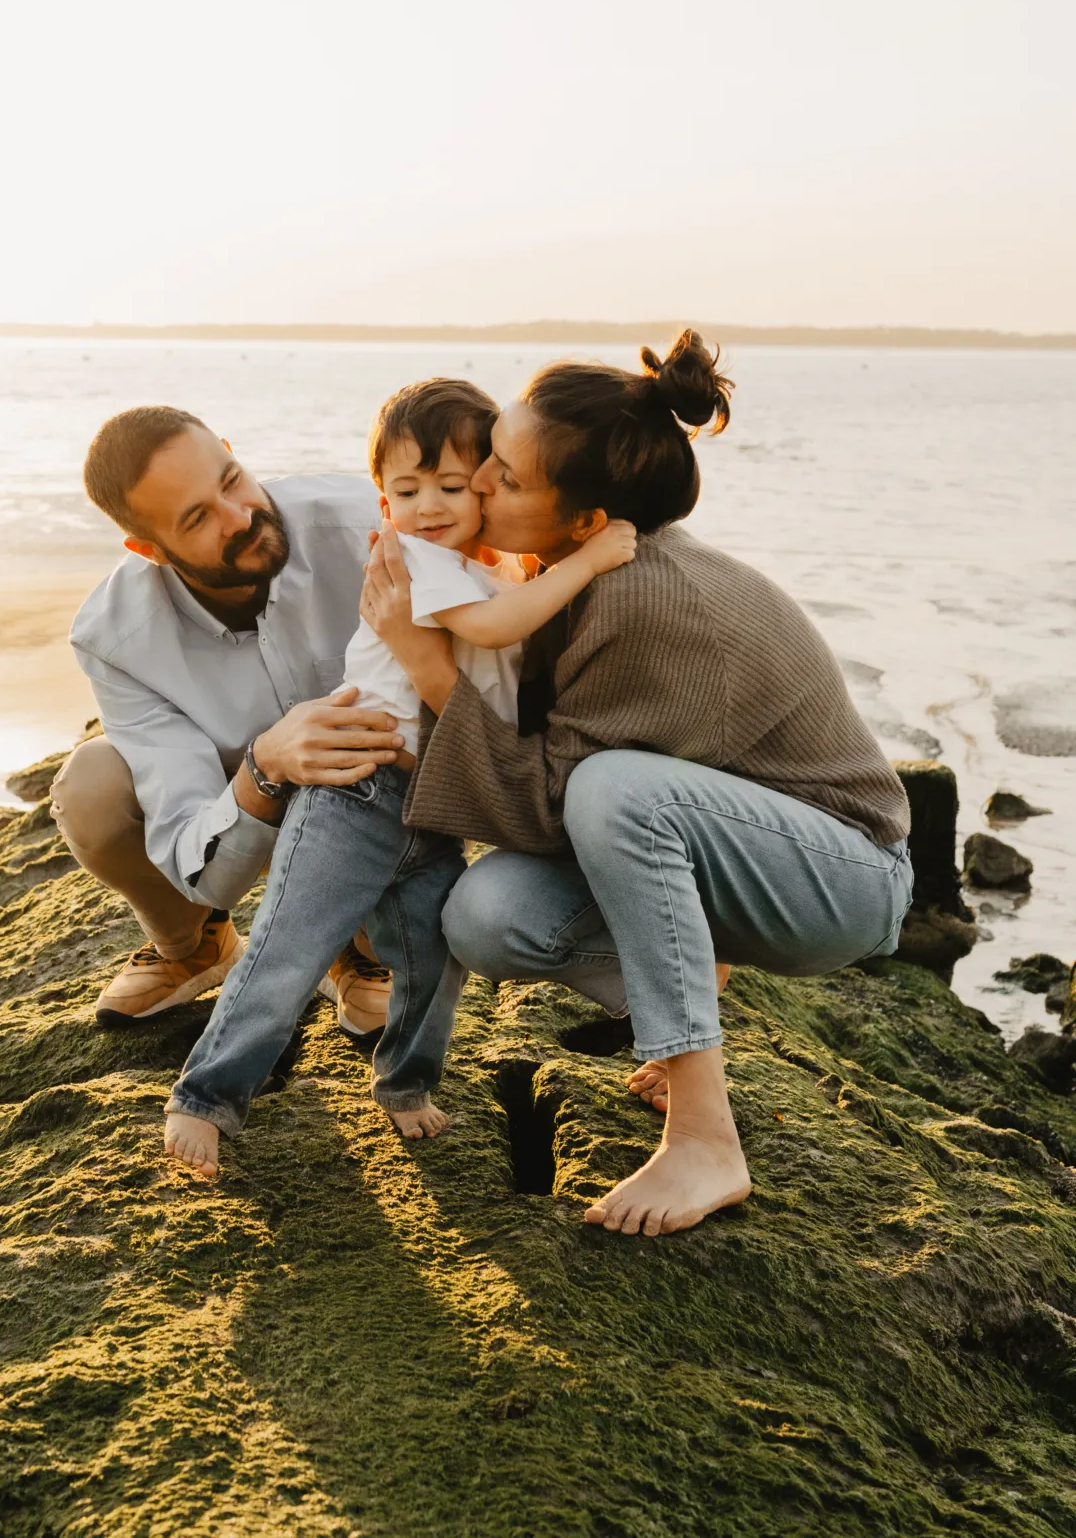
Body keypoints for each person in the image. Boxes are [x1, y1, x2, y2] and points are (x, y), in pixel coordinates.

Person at [359, 331, 914, 1239]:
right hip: (731, 855)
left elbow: (555, 803)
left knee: (616, 789)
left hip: (843, 874)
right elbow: (541, 804)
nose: (477, 483)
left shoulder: (649, 601)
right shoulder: (565, 572)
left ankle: (706, 1137)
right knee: (486, 916)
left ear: (585, 521)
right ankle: (688, 983)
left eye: (504, 473)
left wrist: (426, 663)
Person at [163, 377, 636, 1175]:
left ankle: (406, 1085)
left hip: (433, 809)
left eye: (452, 486)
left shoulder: (483, 573)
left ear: (490, 483)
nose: (429, 506)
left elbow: (506, 640)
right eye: (405, 490)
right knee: (290, 947)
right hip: (358, 794)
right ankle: (204, 1098)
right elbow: (494, 628)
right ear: (383, 503)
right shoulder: (417, 562)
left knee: (432, 961)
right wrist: (589, 558)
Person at [54, 405, 409, 1038]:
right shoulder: (113, 636)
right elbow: (200, 858)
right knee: (91, 787)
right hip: (240, 790)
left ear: (228, 447)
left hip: (375, 786)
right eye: (197, 518)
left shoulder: (369, 523)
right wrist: (266, 764)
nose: (240, 517)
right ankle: (194, 947)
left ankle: (355, 947)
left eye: (230, 479)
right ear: (148, 549)